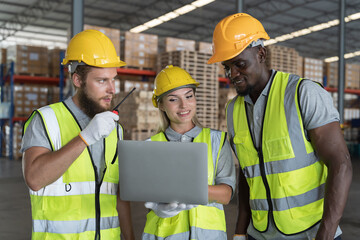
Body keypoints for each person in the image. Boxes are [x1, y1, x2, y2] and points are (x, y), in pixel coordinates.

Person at [207, 13, 353, 240]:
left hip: (310, 234)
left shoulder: (302, 94)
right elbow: (248, 174)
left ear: (261, 54)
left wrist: (325, 234)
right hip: (259, 234)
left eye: (239, 64)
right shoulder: (233, 110)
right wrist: (239, 232)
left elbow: (341, 164)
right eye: (227, 67)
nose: (232, 74)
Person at [21, 29, 135, 240]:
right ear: (77, 80)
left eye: (114, 79)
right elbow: (35, 179)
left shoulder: (115, 129)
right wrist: (85, 138)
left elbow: (118, 196)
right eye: (102, 81)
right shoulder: (45, 120)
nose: (112, 89)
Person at [142, 65, 236, 239]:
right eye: (173, 99)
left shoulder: (216, 141)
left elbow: (226, 194)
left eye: (189, 96)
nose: (184, 105)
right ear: (161, 105)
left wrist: (187, 189)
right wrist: (160, 208)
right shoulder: (150, 146)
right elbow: (149, 200)